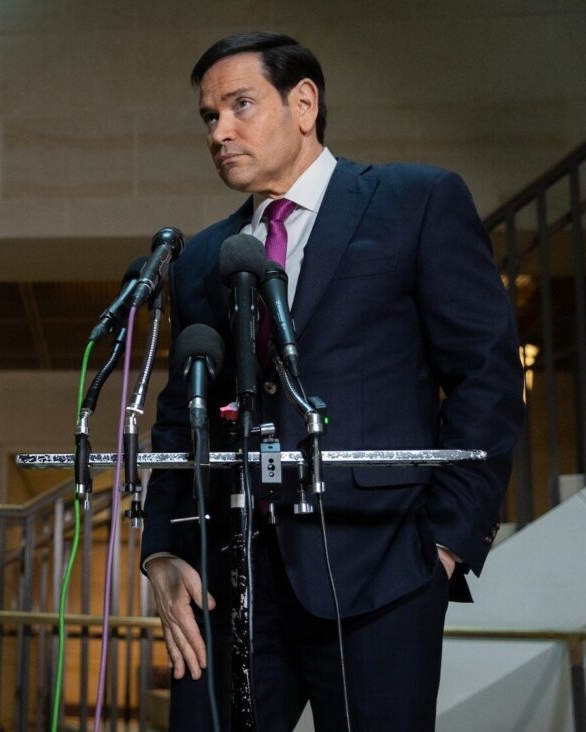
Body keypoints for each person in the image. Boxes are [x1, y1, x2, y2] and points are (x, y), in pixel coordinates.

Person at [140, 32, 524, 731]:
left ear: (304, 104)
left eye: (240, 106)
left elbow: (487, 379)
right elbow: (179, 417)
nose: (219, 132)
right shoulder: (203, 260)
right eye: (209, 116)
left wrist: (444, 545)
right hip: (230, 586)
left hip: (383, 571)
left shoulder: (416, 202)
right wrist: (163, 547)